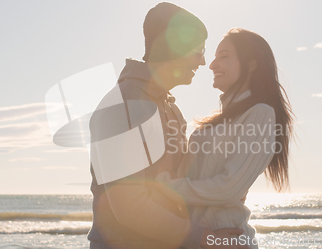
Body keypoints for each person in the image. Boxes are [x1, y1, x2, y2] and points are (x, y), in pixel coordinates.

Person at [87, 3, 250, 249]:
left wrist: (222, 191)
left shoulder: (170, 109)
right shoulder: (124, 106)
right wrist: (209, 241)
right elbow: (129, 206)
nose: (204, 61)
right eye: (198, 50)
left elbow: (177, 185)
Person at [154, 28, 295, 249]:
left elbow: (229, 188)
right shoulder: (219, 121)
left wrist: (165, 187)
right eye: (215, 57)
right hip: (202, 238)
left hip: (227, 238)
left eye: (224, 56)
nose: (212, 64)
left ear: (251, 64)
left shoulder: (261, 113)